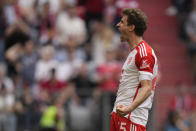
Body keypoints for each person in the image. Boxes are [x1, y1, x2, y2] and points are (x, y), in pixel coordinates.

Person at [110, 8, 158, 131]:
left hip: (131, 119)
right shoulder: (133, 53)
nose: (118, 25)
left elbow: (146, 88)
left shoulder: (144, 53)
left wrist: (128, 108)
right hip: (121, 115)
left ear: (131, 27)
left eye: (122, 22)